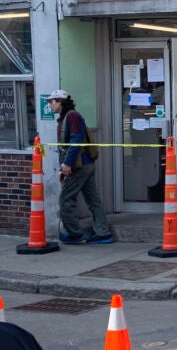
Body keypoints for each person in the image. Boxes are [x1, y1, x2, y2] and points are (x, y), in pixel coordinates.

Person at [46, 89, 113, 244]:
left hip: (79, 165)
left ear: (60, 102)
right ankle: (103, 233)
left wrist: (67, 164)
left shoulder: (72, 117)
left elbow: (76, 141)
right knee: (92, 199)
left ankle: (74, 234)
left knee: (66, 199)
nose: (50, 105)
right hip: (85, 164)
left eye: (52, 101)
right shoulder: (68, 117)